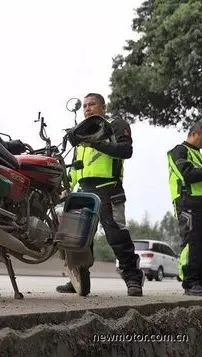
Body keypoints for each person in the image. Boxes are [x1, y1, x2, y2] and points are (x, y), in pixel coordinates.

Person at [56, 93, 144, 296]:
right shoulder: (80, 132)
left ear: (103, 107)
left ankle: (133, 279)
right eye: (85, 106)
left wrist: (93, 142)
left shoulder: (116, 124)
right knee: (76, 239)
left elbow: (125, 150)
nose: (87, 108)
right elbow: (77, 165)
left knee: (117, 236)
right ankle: (77, 279)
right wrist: (68, 185)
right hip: (83, 191)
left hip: (109, 188)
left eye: (92, 104)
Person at [167, 121, 202, 296]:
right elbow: (188, 175)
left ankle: (200, 281)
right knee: (191, 242)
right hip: (188, 202)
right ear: (194, 133)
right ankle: (190, 283)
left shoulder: (201, 156)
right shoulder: (178, 151)